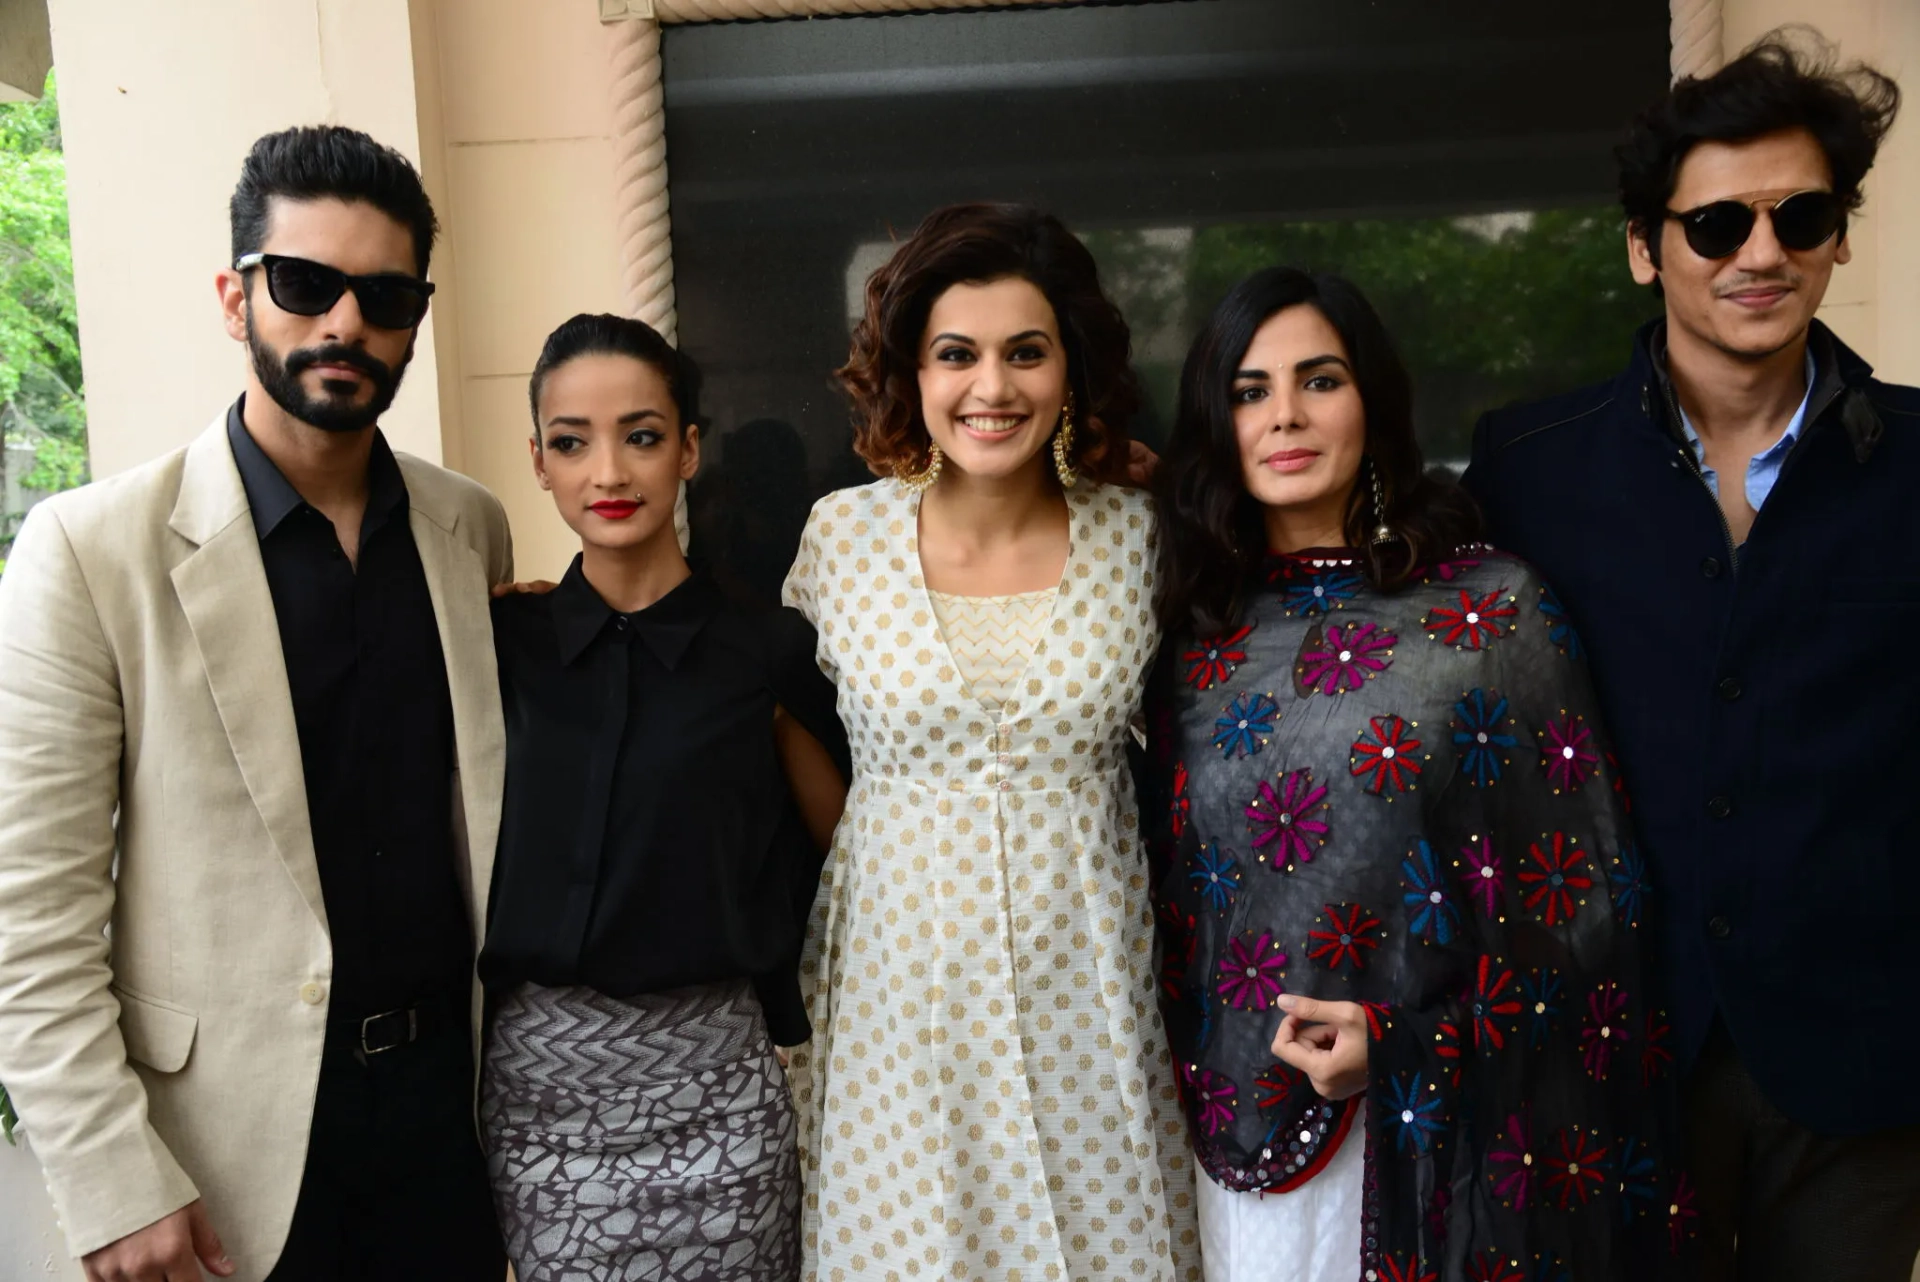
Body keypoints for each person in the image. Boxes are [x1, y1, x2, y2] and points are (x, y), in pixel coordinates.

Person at [0, 126, 511, 1281]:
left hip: (445, 1133)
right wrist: (113, 1182)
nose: (344, 323)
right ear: (237, 298)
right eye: (304, 284)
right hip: (223, 1165)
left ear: (415, 317)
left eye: (383, 295)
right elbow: (29, 920)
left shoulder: (465, 527)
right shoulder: (90, 551)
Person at [1463, 32, 1919, 1282]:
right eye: (1716, 224)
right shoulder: (1528, 468)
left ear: (1836, 237)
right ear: (1643, 247)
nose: (1760, 254)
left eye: (1800, 215)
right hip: (1601, 1050)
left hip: (1863, 1064)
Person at [1147, 267, 1679, 1281]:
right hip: (1236, 1132)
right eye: (1250, 390)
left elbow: (1592, 903)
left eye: (1320, 379)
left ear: (1374, 402)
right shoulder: (1187, 630)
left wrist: (1408, 1039)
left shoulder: (1489, 611)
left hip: (1440, 1138)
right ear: (1217, 421)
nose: (1286, 415)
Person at [780, 202, 1200, 1281]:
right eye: (955, 354)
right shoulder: (841, 537)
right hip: (896, 993)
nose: (992, 386)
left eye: (1027, 352)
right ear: (910, 374)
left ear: (1071, 370)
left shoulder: (1142, 535)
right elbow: (769, 711)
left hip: (1089, 985)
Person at [480, 313, 849, 1280]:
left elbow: (856, 863)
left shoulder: (770, 655)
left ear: (689, 450)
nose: (608, 472)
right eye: (572, 443)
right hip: (537, 1114)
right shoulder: (494, 649)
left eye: (641, 436)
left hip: (720, 1101)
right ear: (539, 462)